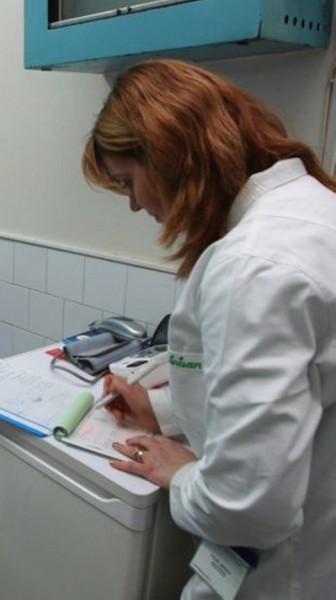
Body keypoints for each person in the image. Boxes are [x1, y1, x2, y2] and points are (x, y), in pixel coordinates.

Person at [82, 58, 336, 598]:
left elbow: (248, 507)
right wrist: (163, 410)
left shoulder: (253, 265)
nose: (134, 204)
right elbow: (303, 389)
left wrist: (181, 473)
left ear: (169, 156)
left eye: (128, 182)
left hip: (286, 573)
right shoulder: (310, 210)